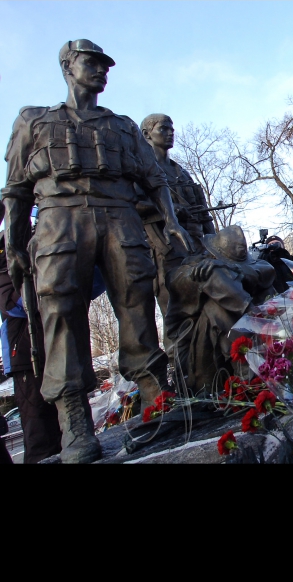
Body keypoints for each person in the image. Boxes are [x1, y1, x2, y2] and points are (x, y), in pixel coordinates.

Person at [1, 39, 194, 464]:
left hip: (118, 216)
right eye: (93, 63)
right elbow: (15, 190)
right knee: (61, 311)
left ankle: (155, 399)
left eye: (106, 65)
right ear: (68, 66)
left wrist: (172, 221)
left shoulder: (122, 126)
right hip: (58, 217)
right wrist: (14, 245)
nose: (103, 71)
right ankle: (75, 421)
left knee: (136, 300)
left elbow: (153, 178)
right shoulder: (33, 121)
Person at [164, 225, 276, 394]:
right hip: (199, 361)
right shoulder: (188, 271)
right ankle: (251, 371)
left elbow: (266, 269)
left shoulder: (245, 265)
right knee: (215, 307)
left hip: (231, 345)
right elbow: (208, 277)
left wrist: (234, 268)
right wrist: (251, 312)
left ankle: (262, 355)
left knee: (265, 291)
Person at [139, 113, 216, 321]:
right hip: (166, 248)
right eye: (163, 128)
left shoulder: (181, 172)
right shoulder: (140, 170)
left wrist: (215, 246)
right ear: (147, 134)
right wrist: (169, 210)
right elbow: (133, 203)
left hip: (198, 247)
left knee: (207, 308)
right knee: (178, 312)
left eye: (172, 128)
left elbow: (204, 212)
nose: (170, 132)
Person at [0, 231, 62, 463]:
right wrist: (50, 287)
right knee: (38, 427)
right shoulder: (4, 273)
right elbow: (14, 304)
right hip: (25, 357)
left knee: (58, 423)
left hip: (52, 349)